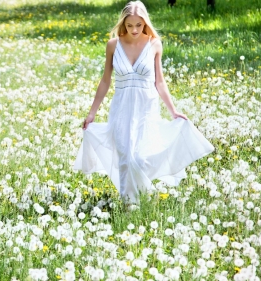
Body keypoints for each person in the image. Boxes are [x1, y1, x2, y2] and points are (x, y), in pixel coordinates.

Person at [73, 1, 214, 203]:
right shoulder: (113, 45)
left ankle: (142, 196)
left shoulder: (154, 44)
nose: (134, 30)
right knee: (125, 158)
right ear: (123, 24)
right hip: (121, 107)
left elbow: (160, 81)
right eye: (130, 25)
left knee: (140, 157)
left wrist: (173, 110)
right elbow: (105, 81)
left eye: (138, 25)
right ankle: (129, 205)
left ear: (145, 23)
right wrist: (92, 113)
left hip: (146, 107)